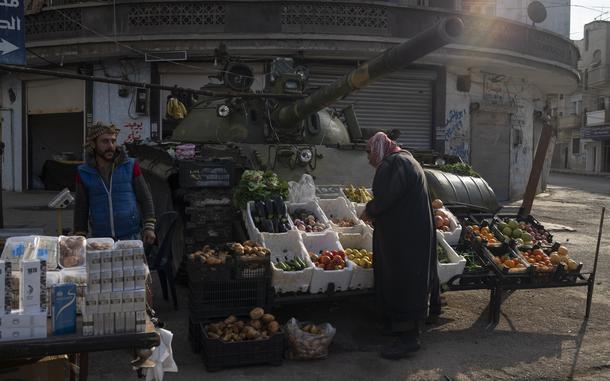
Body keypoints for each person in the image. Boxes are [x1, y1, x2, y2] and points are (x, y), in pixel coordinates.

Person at [360, 132, 439, 360]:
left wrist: (371, 210)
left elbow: (386, 198)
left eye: (369, 152)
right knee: (405, 278)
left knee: (405, 279)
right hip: (410, 232)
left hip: (406, 237)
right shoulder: (406, 159)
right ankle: (397, 327)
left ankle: (408, 339)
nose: (368, 158)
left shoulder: (394, 164)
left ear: (379, 148)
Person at [74, 122, 156, 244]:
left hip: (131, 236)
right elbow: (81, 206)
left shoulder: (130, 166)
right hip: (100, 239)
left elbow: (145, 197)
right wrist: (80, 233)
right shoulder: (84, 172)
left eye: (113, 141)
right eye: (105, 141)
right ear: (93, 144)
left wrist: (149, 227)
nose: (111, 146)